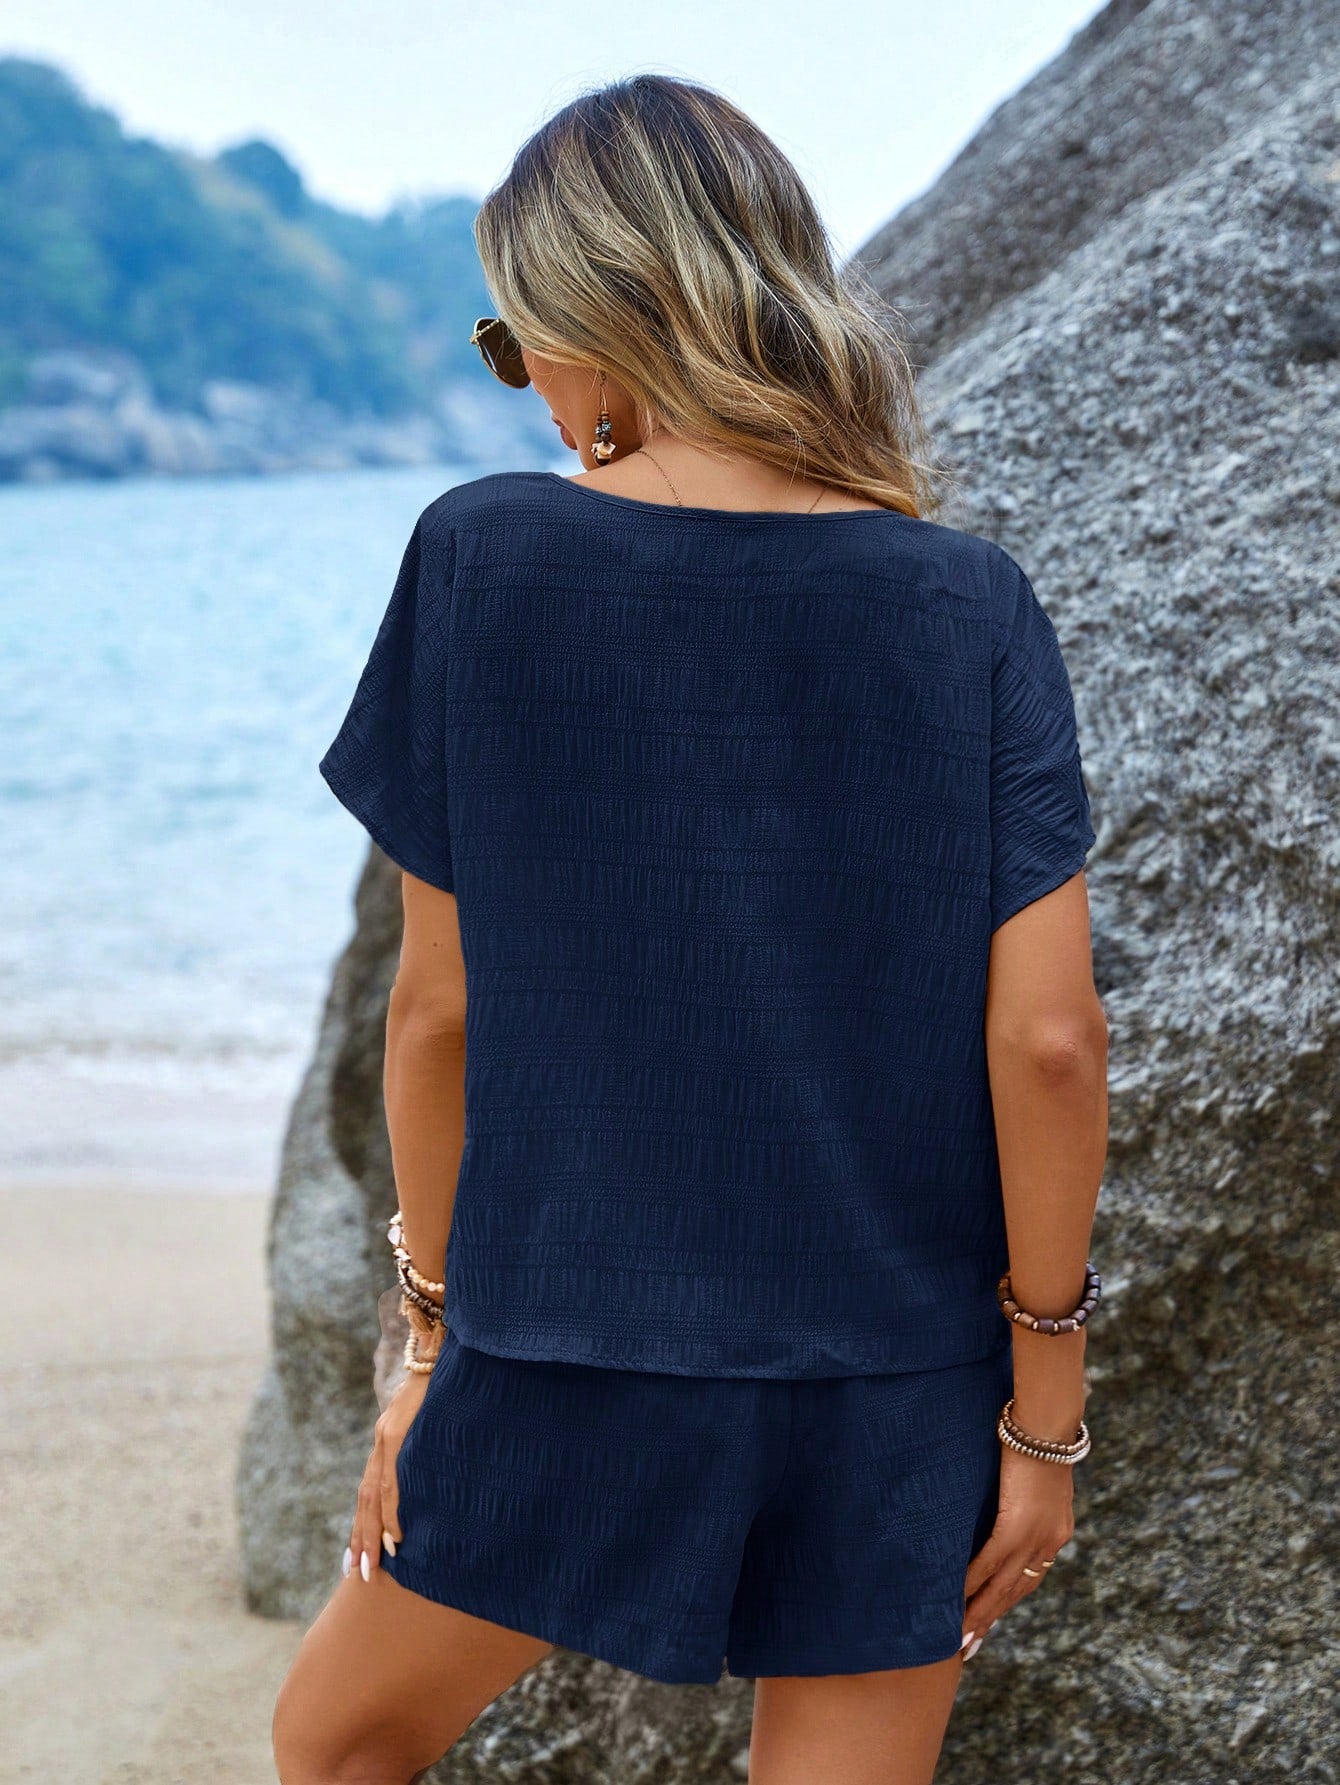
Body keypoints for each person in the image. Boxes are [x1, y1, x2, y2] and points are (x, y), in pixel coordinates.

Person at [272, 71, 1107, 1785]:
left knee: (335, 1741)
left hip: (566, 1351)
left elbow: (436, 1015)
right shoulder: (970, 604)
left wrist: (427, 1341)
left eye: (516, 342)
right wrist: (1045, 1419)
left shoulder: (482, 557)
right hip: (894, 1376)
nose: (530, 386)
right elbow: (1046, 1042)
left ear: (594, 319)